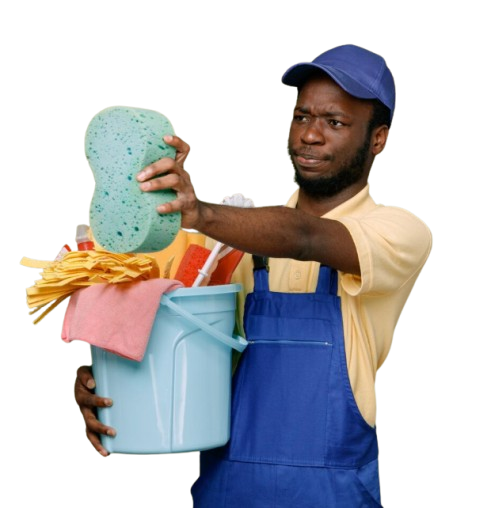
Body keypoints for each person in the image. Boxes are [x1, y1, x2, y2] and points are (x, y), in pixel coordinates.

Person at [74, 44, 433, 506]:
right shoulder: (234, 244)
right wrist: (110, 378)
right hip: (228, 490)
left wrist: (201, 212)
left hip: (330, 495)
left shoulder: (400, 231)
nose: (310, 135)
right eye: (301, 116)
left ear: (379, 139)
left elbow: (305, 236)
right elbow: (183, 347)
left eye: (335, 122)